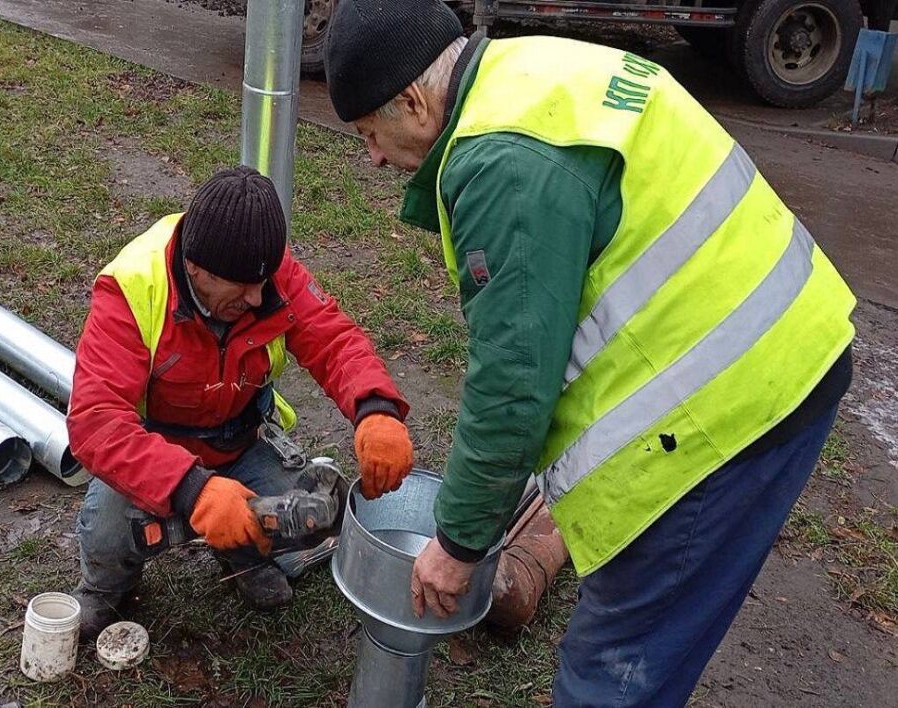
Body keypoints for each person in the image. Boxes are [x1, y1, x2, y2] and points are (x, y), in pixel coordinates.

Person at [324, 2, 856, 704]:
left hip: (731, 403)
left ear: (413, 99)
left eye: (369, 133)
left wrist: (457, 545)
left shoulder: (500, 161)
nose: (374, 158)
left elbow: (512, 387)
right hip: (775, 334)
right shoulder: (528, 73)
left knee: (612, 671)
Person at [66, 166, 414, 639]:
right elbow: (97, 423)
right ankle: (104, 590)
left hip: (242, 443)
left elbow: (332, 340)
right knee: (109, 535)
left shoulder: (262, 269)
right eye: (240, 287)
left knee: (312, 514)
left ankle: (243, 554)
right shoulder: (132, 288)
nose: (257, 298)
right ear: (195, 267)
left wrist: (377, 410)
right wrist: (193, 490)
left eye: (263, 283)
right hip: (157, 454)